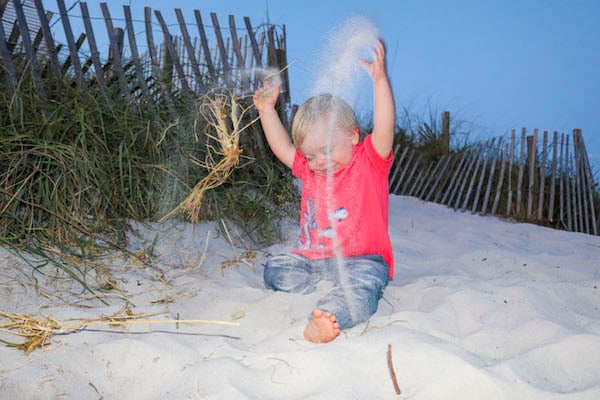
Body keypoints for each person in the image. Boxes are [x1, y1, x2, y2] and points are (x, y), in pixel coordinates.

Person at [252, 39, 395, 343]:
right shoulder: (310, 168)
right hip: (312, 262)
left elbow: (384, 129)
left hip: (362, 261)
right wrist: (266, 110)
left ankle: (327, 316)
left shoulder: (368, 161)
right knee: (275, 269)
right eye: (311, 155)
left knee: (361, 293)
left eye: (326, 150)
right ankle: (318, 292)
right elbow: (281, 148)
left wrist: (380, 81)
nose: (319, 161)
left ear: (353, 136)